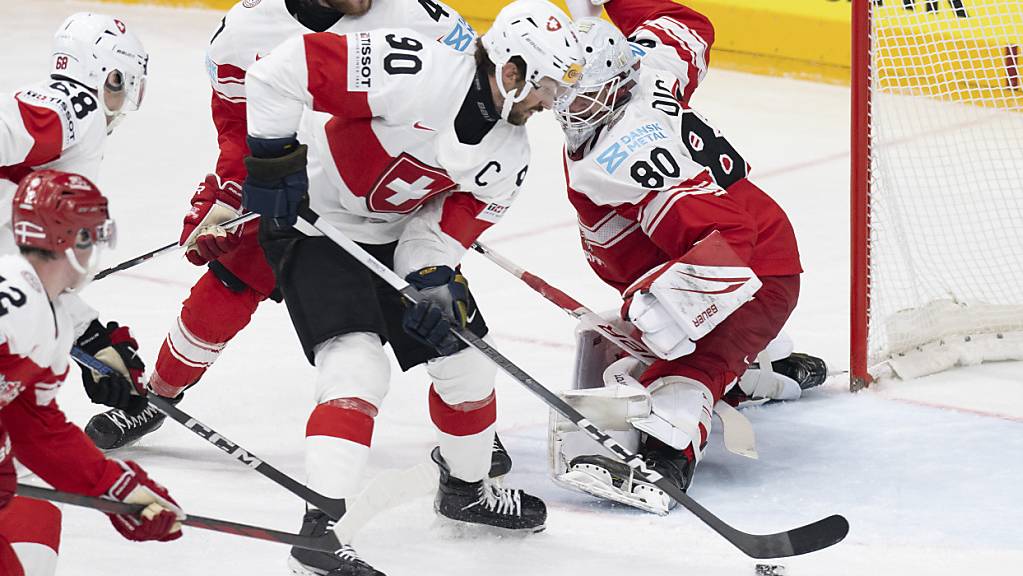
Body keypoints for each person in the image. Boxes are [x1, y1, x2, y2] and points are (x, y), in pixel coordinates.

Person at [82, 0, 509, 474]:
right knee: (228, 282)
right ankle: (155, 397)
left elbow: (480, 98)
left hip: (394, 201)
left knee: (436, 310)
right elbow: (236, 127)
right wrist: (229, 190)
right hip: (294, 187)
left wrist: (451, 184)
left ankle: (469, 436)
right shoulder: (244, 32)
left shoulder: (421, 16)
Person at [240, 0, 582, 573]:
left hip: (396, 237)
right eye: (547, 85)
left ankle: (465, 490)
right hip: (318, 223)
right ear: (512, 69)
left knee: (467, 359)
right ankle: (320, 525)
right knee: (356, 367)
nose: (552, 103)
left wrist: (430, 280)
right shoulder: (415, 67)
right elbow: (278, 72)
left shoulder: (510, 155)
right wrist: (272, 161)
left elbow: (440, 230)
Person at [549, 0, 824, 515]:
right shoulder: (647, 64)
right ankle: (765, 367)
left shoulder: (625, 152)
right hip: (744, 248)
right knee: (653, 343)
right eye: (564, 89)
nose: (567, 106)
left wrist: (665, 309)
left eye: (582, 95)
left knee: (681, 373)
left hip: (751, 272)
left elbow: (731, 236)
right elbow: (689, 27)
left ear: (614, 86)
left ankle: (665, 459)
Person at [0, 170, 183, 576]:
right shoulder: (16, 306)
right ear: (71, 240)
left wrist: (118, 488)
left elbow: (37, 429)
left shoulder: (52, 320)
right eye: (92, 233)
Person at [0, 13, 151, 420]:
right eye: (125, 83)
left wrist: (92, 338)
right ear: (109, 75)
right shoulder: (76, 105)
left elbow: (23, 278)